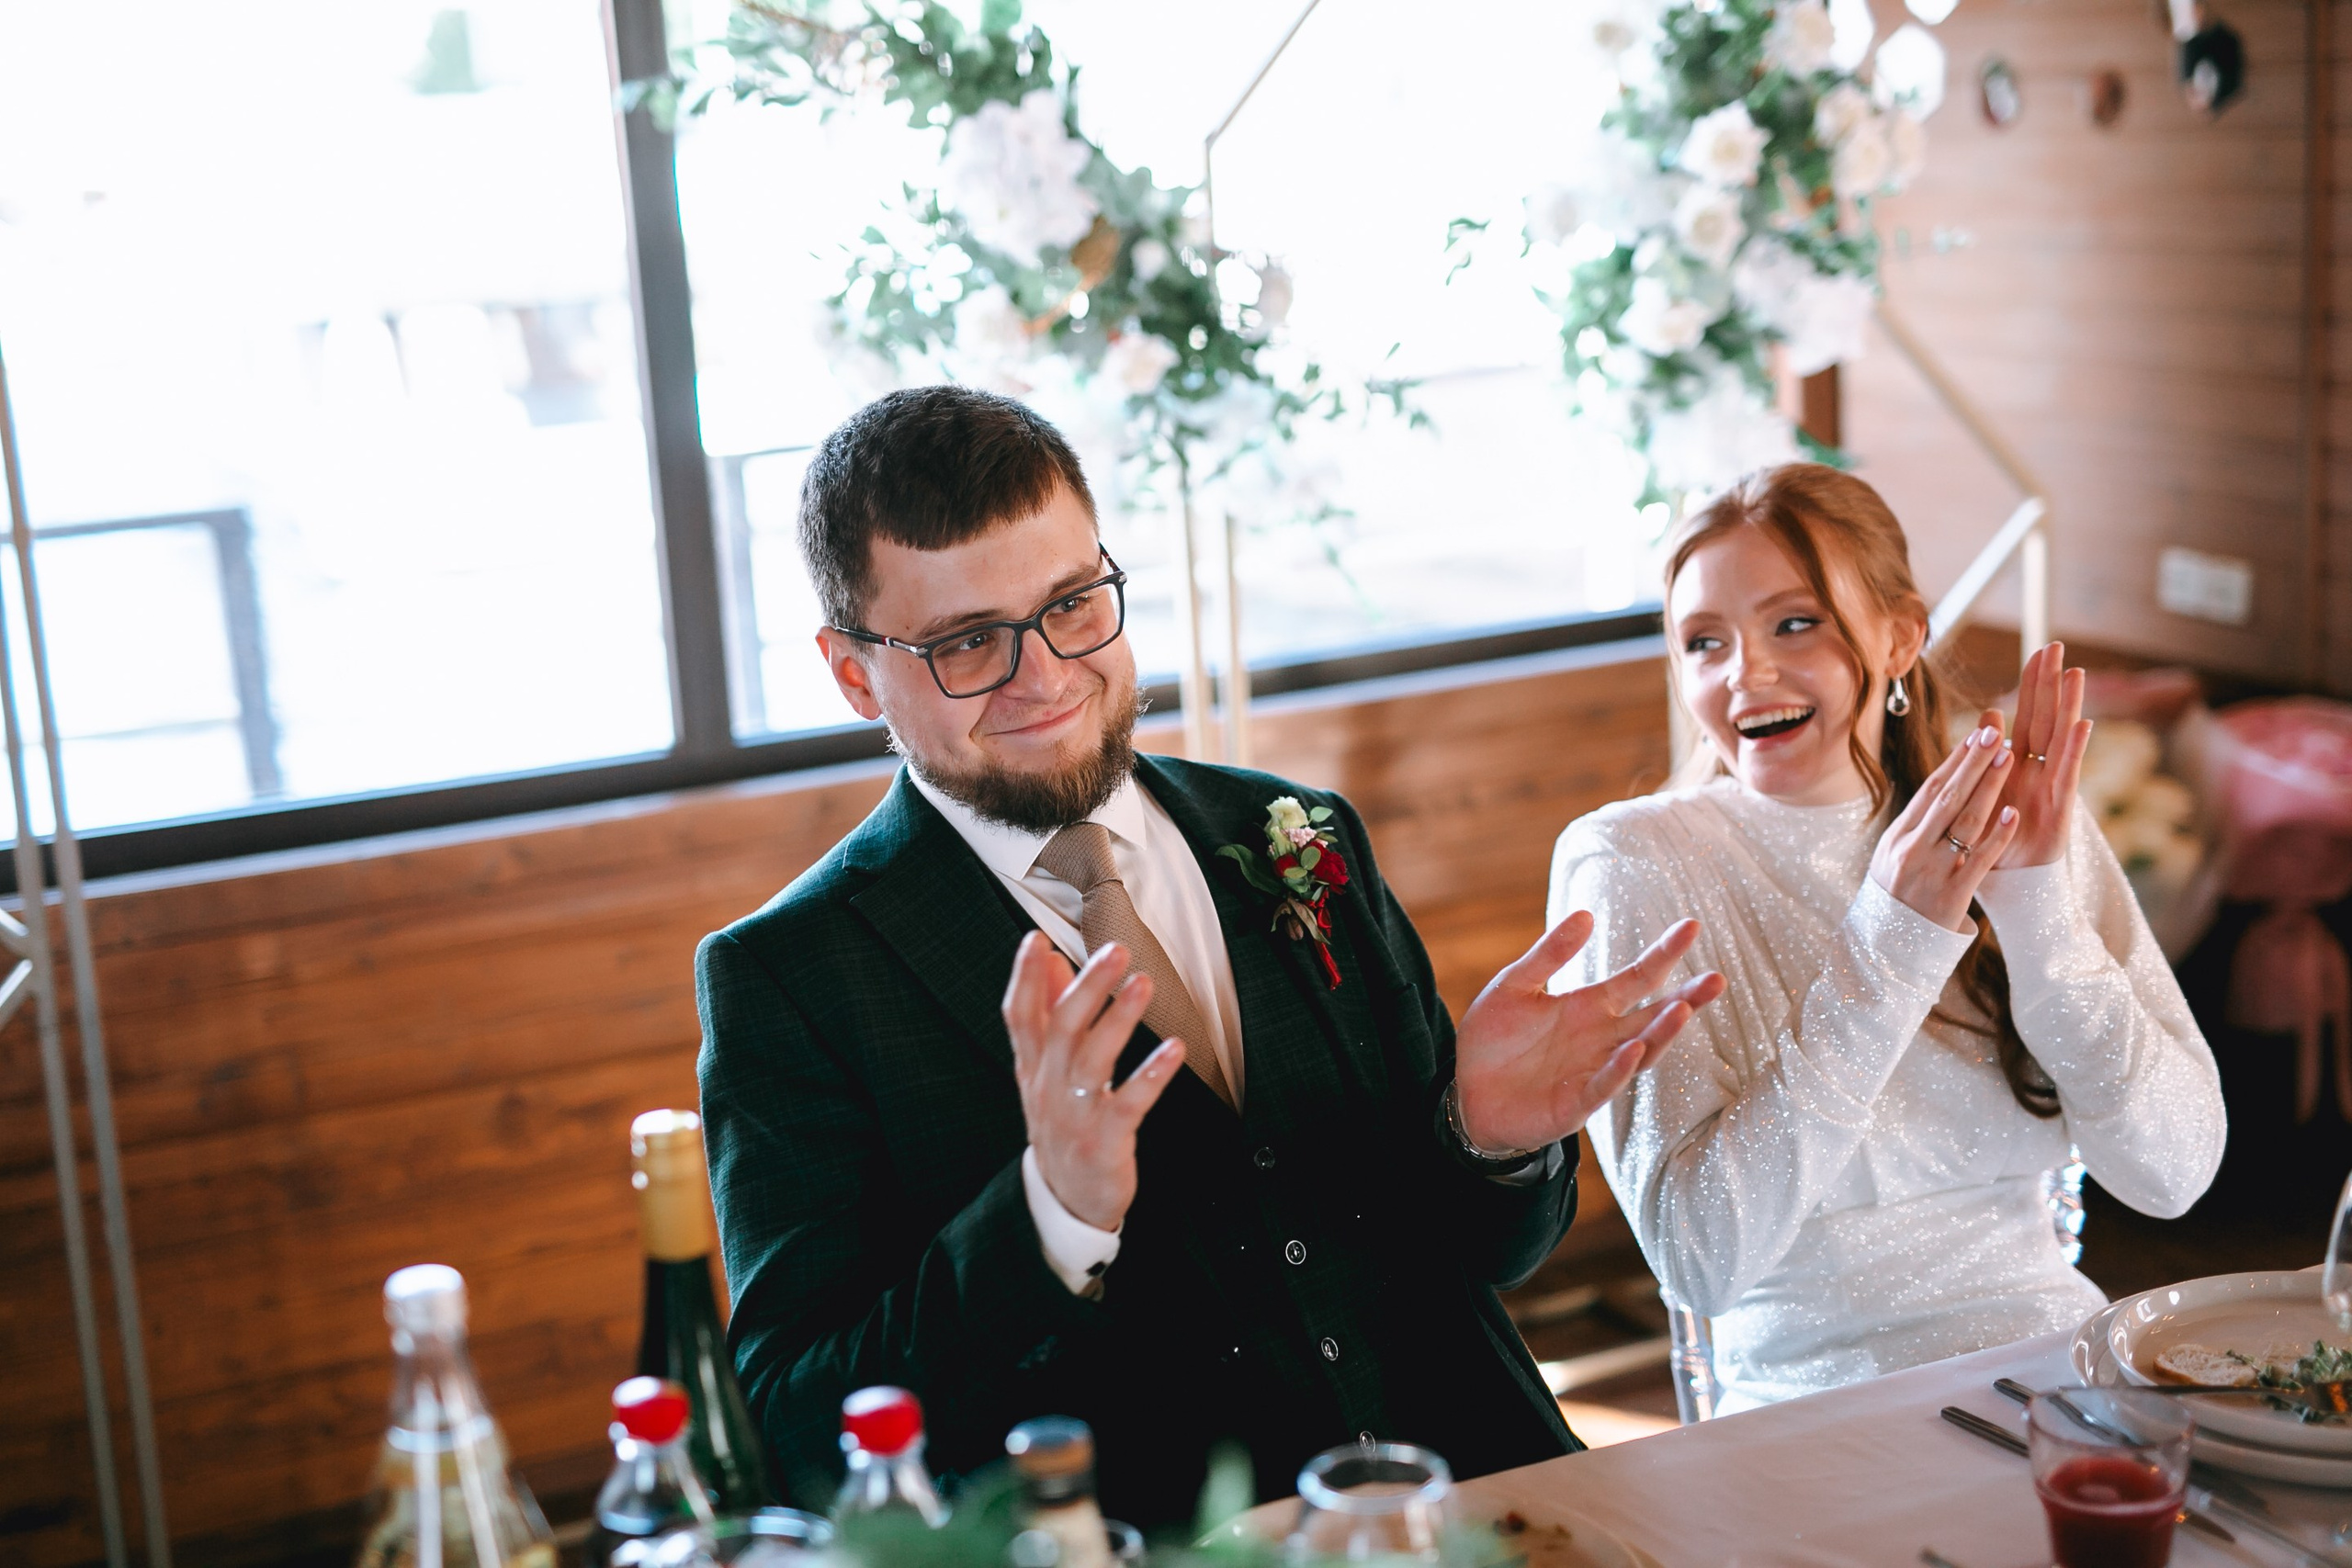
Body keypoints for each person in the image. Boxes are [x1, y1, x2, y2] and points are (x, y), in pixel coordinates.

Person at [695, 386, 1725, 1523]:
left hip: (1493, 1502)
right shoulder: (788, 980)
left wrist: (1484, 1141)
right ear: (853, 673)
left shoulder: (1299, 831)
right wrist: (1052, 1215)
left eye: (1074, 604)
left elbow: (1477, 1254)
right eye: (968, 643)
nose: (1042, 675)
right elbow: (797, 1426)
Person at [1548, 464, 2225, 1414]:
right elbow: (1697, 1259)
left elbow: (2173, 1174)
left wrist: (2035, 906)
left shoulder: (2018, 821)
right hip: (1804, 1415)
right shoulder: (1632, 863)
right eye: (1705, 642)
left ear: (1901, 635)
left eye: (1794, 623)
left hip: (2064, 1384)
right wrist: (1891, 941)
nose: (1746, 673)